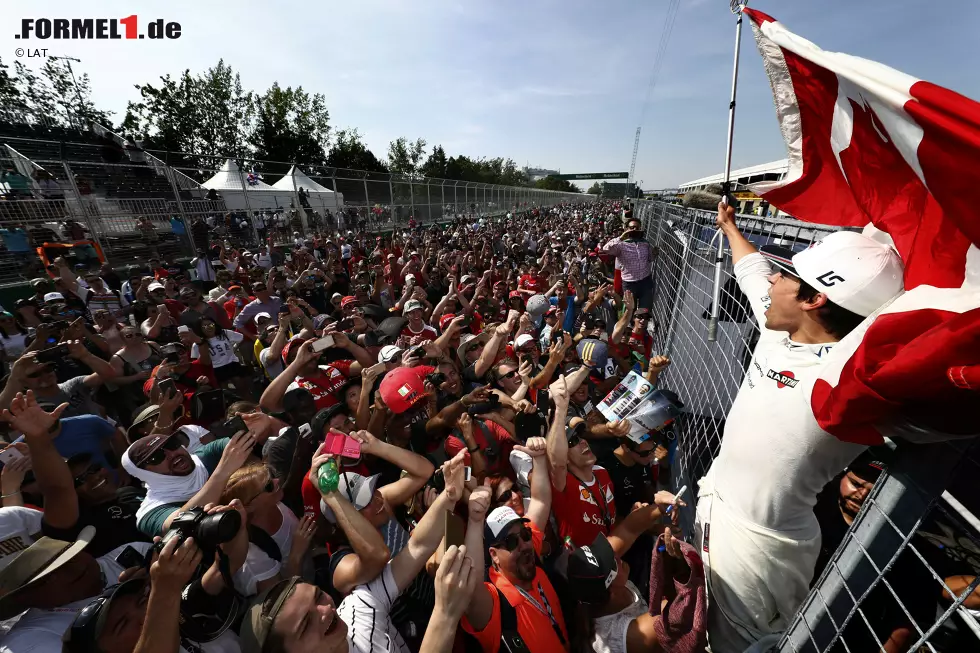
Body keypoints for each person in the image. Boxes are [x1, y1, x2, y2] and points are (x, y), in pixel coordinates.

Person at [696, 201, 905, 651]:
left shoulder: (855, 381)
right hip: (713, 512)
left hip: (760, 555)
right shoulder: (780, 332)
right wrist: (730, 227)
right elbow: (751, 269)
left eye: (785, 275)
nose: (772, 280)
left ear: (814, 299)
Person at [600, 218, 655, 309]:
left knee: (645, 310)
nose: (634, 229)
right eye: (631, 227)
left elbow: (649, 259)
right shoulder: (620, 244)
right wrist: (621, 237)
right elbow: (606, 249)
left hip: (645, 281)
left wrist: (654, 254)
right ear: (627, 229)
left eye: (636, 227)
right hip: (630, 284)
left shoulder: (645, 243)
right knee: (630, 310)